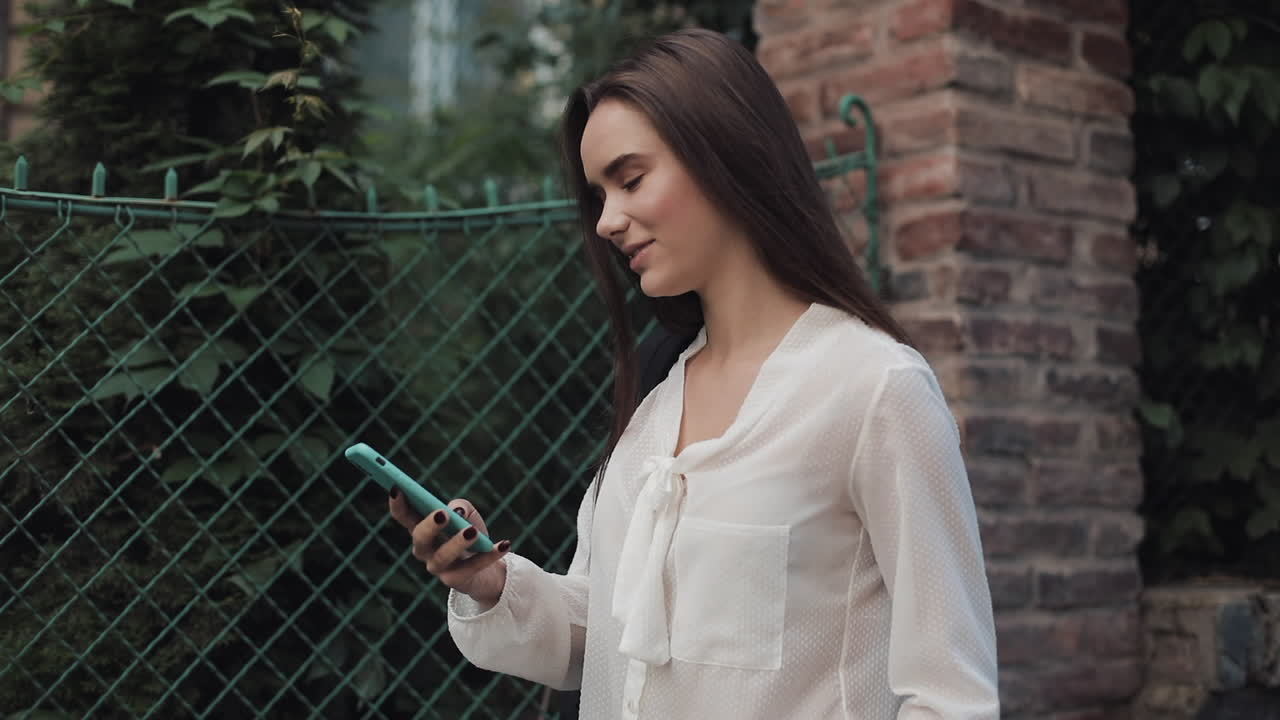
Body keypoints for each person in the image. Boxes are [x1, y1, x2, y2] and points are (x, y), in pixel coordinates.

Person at [389, 28, 1000, 719]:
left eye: (631, 179)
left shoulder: (873, 390)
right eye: (599, 196)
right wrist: (492, 584)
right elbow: (607, 641)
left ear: (727, 154)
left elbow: (951, 695)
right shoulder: (653, 395)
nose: (608, 223)